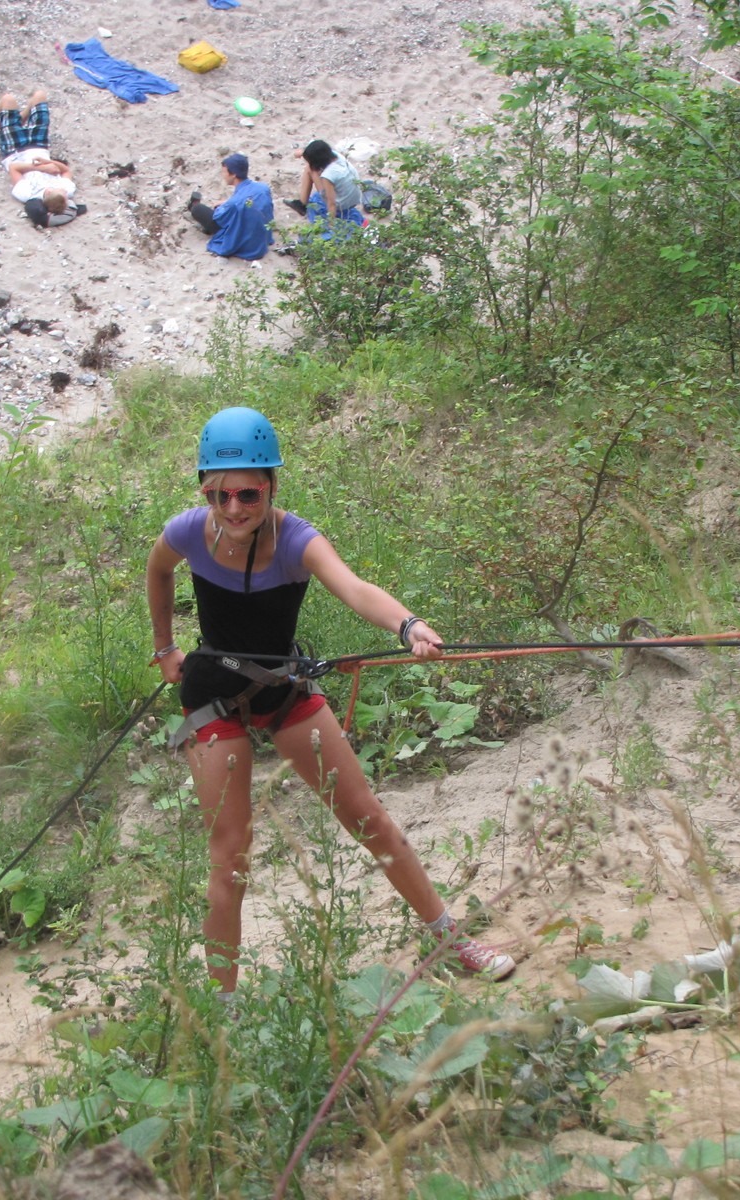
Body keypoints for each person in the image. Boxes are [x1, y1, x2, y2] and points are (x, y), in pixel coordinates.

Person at [145, 407, 517, 1002]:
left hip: (283, 688)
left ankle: (447, 939)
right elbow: (158, 571)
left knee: (369, 819)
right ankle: (224, 1005)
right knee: (229, 854)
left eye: (249, 493)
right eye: (219, 495)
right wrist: (165, 645)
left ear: (271, 485)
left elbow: (355, 588)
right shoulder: (189, 531)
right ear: (204, 491)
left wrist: (409, 626)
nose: (234, 508)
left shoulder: (297, 540)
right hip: (213, 696)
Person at [187, 153, 274, 260]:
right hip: (261, 235)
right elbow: (249, 201)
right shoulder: (263, 188)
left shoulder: (233, 203)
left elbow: (219, 218)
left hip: (245, 240)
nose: (223, 175)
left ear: (233, 174)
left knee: (197, 209)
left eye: (224, 172)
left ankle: (193, 205)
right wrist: (227, 202)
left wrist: (223, 206)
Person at [286, 139, 365, 236]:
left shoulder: (328, 175)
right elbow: (317, 152)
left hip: (342, 204)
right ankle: (302, 203)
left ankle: (302, 204)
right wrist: (303, 153)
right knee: (311, 167)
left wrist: (331, 224)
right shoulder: (336, 156)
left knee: (309, 168)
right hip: (354, 196)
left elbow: (331, 203)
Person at [6, 147, 82, 228]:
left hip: (15, 153)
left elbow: (13, 168)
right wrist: (47, 162)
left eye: (62, 192)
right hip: (40, 148)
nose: (65, 191)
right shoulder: (67, 189)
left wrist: (42, 168)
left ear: (49, 192)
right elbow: (66, 170)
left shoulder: (28, 194)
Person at [0, 89, 52, 162]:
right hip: (40, 147)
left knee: (7, 99)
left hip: (16, 151)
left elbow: (13, 169)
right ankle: (21, 118)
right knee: (40, 95)